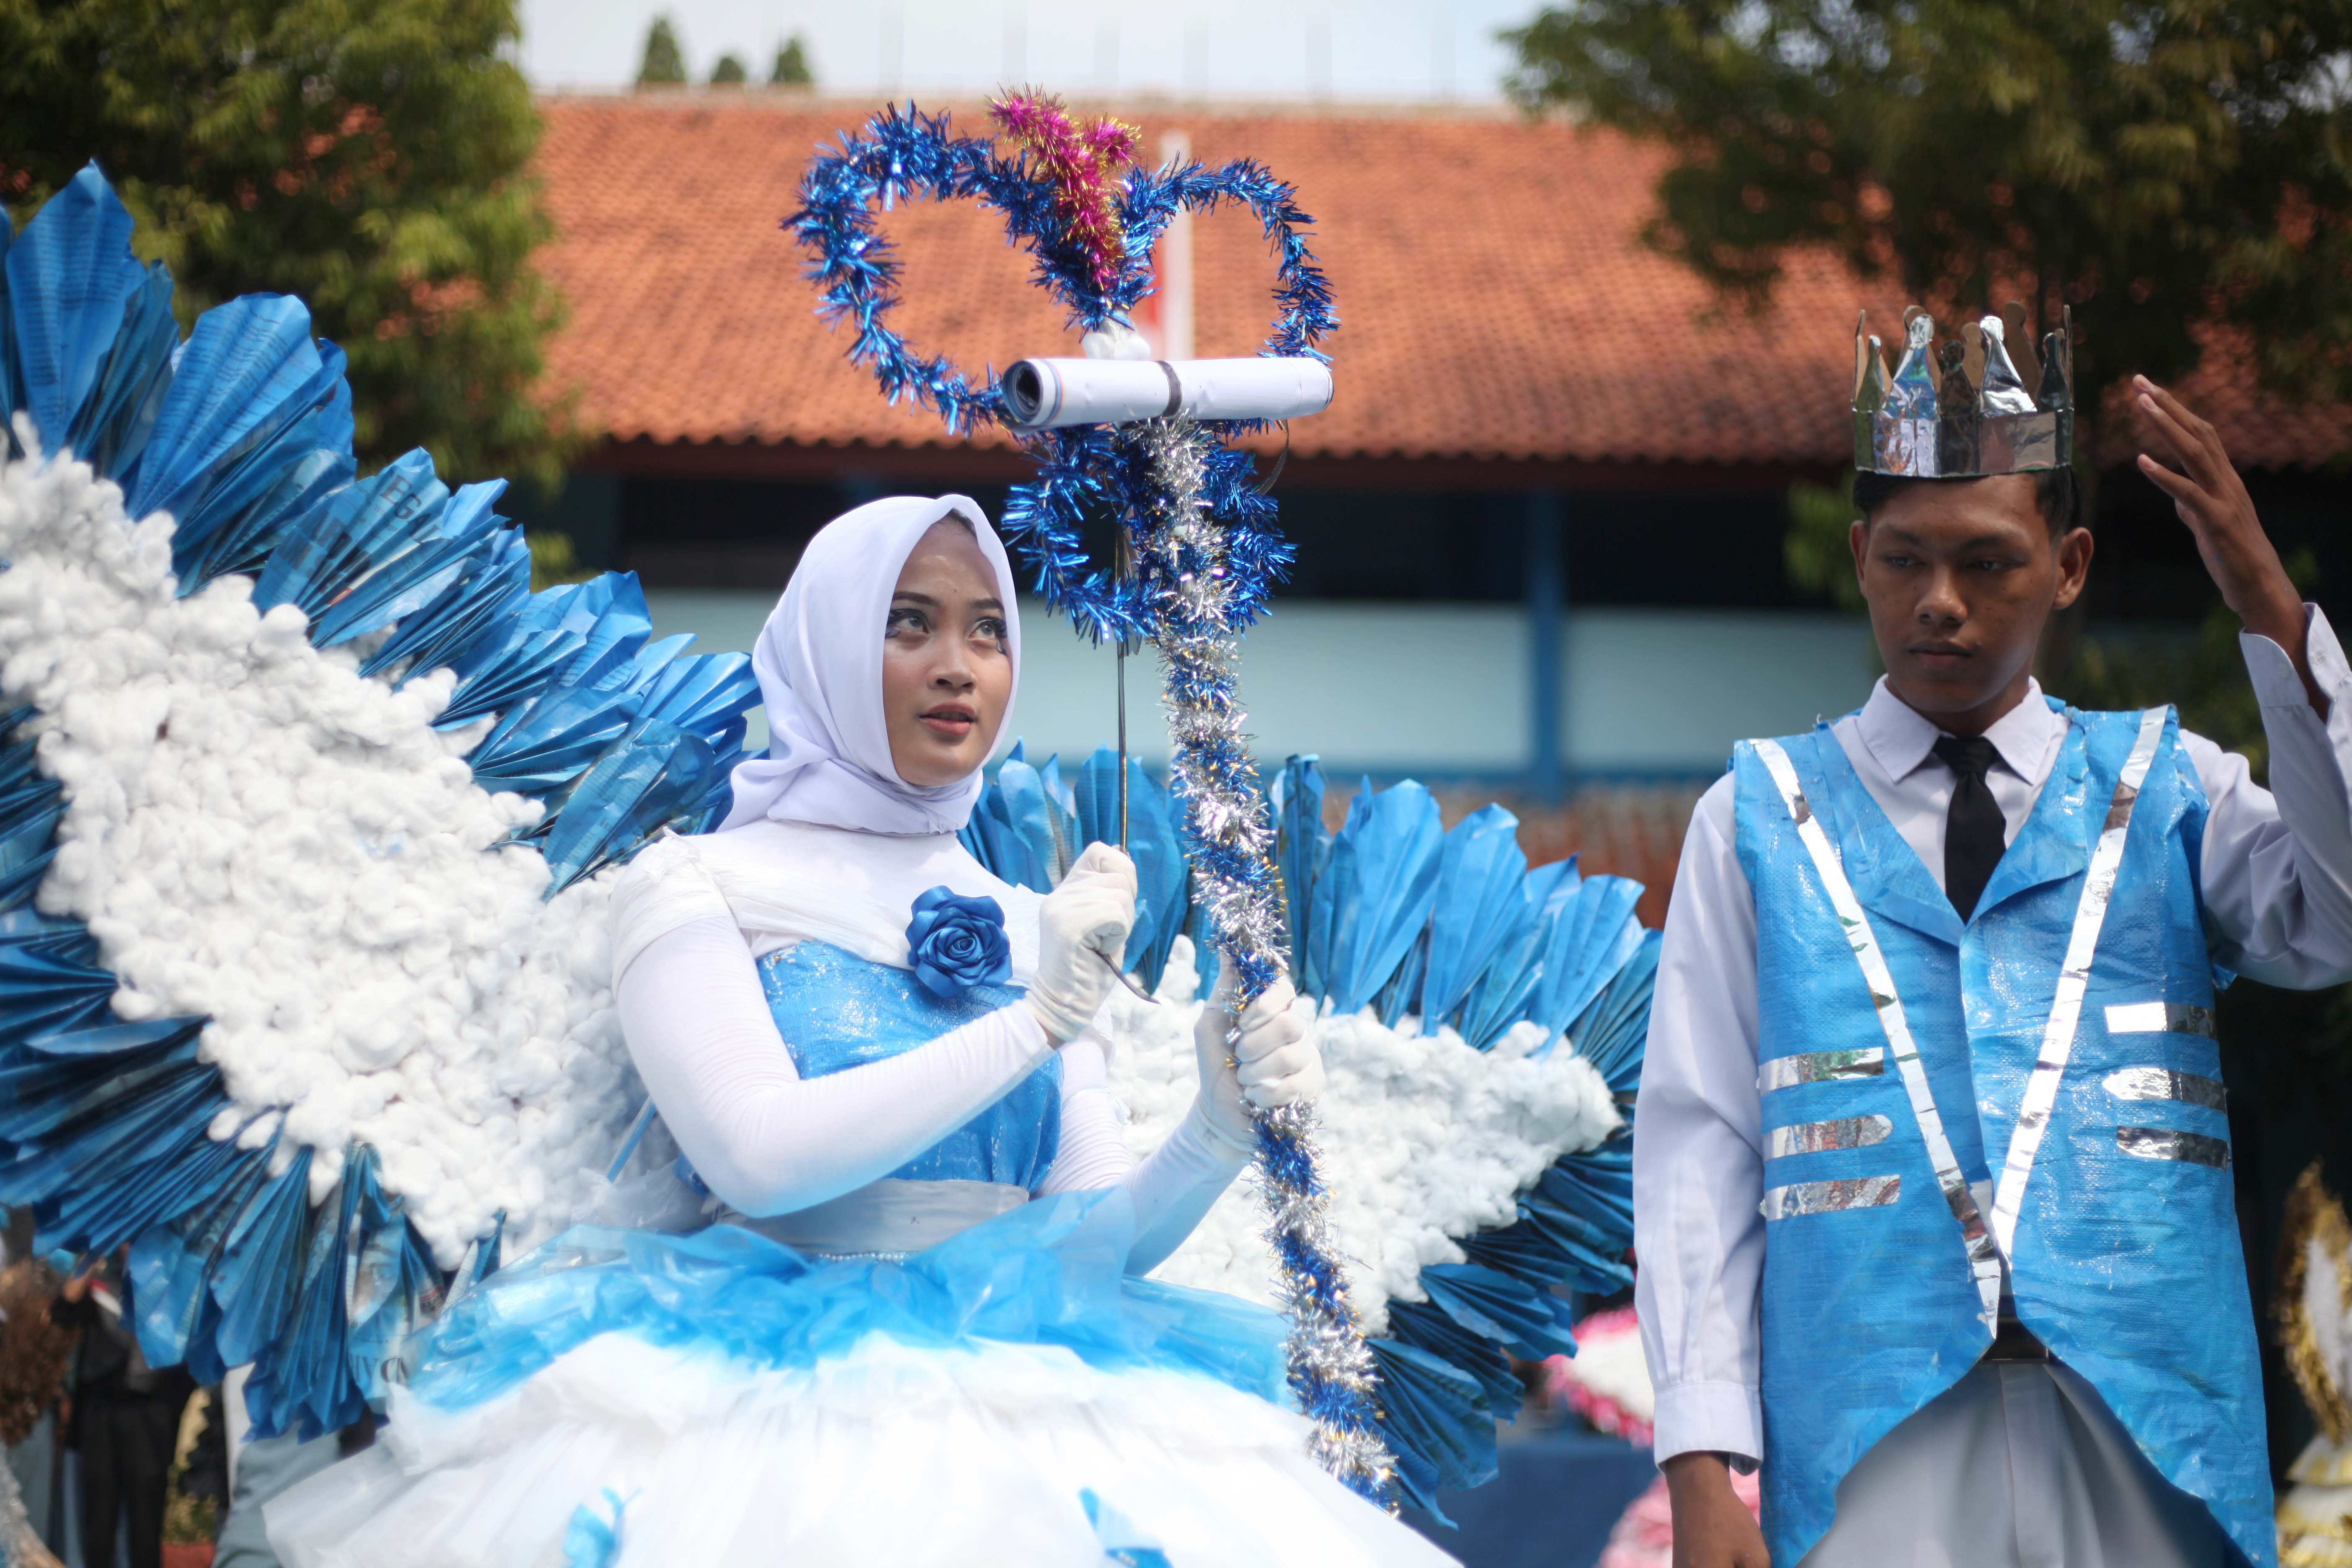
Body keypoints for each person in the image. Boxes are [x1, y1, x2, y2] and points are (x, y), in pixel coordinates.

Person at [262, 494, 1454, 1567]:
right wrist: (1035, 1021)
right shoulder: (695, 886)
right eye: (910, 624)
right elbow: (757, 1157)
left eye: (989, 629)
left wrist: (1216, 1132)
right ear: (829, 646)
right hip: (762, 1420)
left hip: (1036, 1408)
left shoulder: (1035, 917)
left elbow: (1090, 1246)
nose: (959, 666)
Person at [1635, 342, 2352, 1568]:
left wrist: (2275, 623)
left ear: (2068, 566)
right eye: (1907, 559)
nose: (1941, 603)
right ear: (1860, 559)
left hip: (2149, 1428)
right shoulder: (1752, 817)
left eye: (1986, 562)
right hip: (1875, 1432)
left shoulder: (2167, 786)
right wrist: (1700, 1461)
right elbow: (1699, 1141)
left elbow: (2334, 920)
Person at [46, 1251, 195, 1568]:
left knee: (146, 1517)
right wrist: (94, 1253)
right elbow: (63, 1311)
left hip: (151, 1410)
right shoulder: (101, 1275)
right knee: (99, 1516)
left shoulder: (173, 1271)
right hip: (100, 1408)